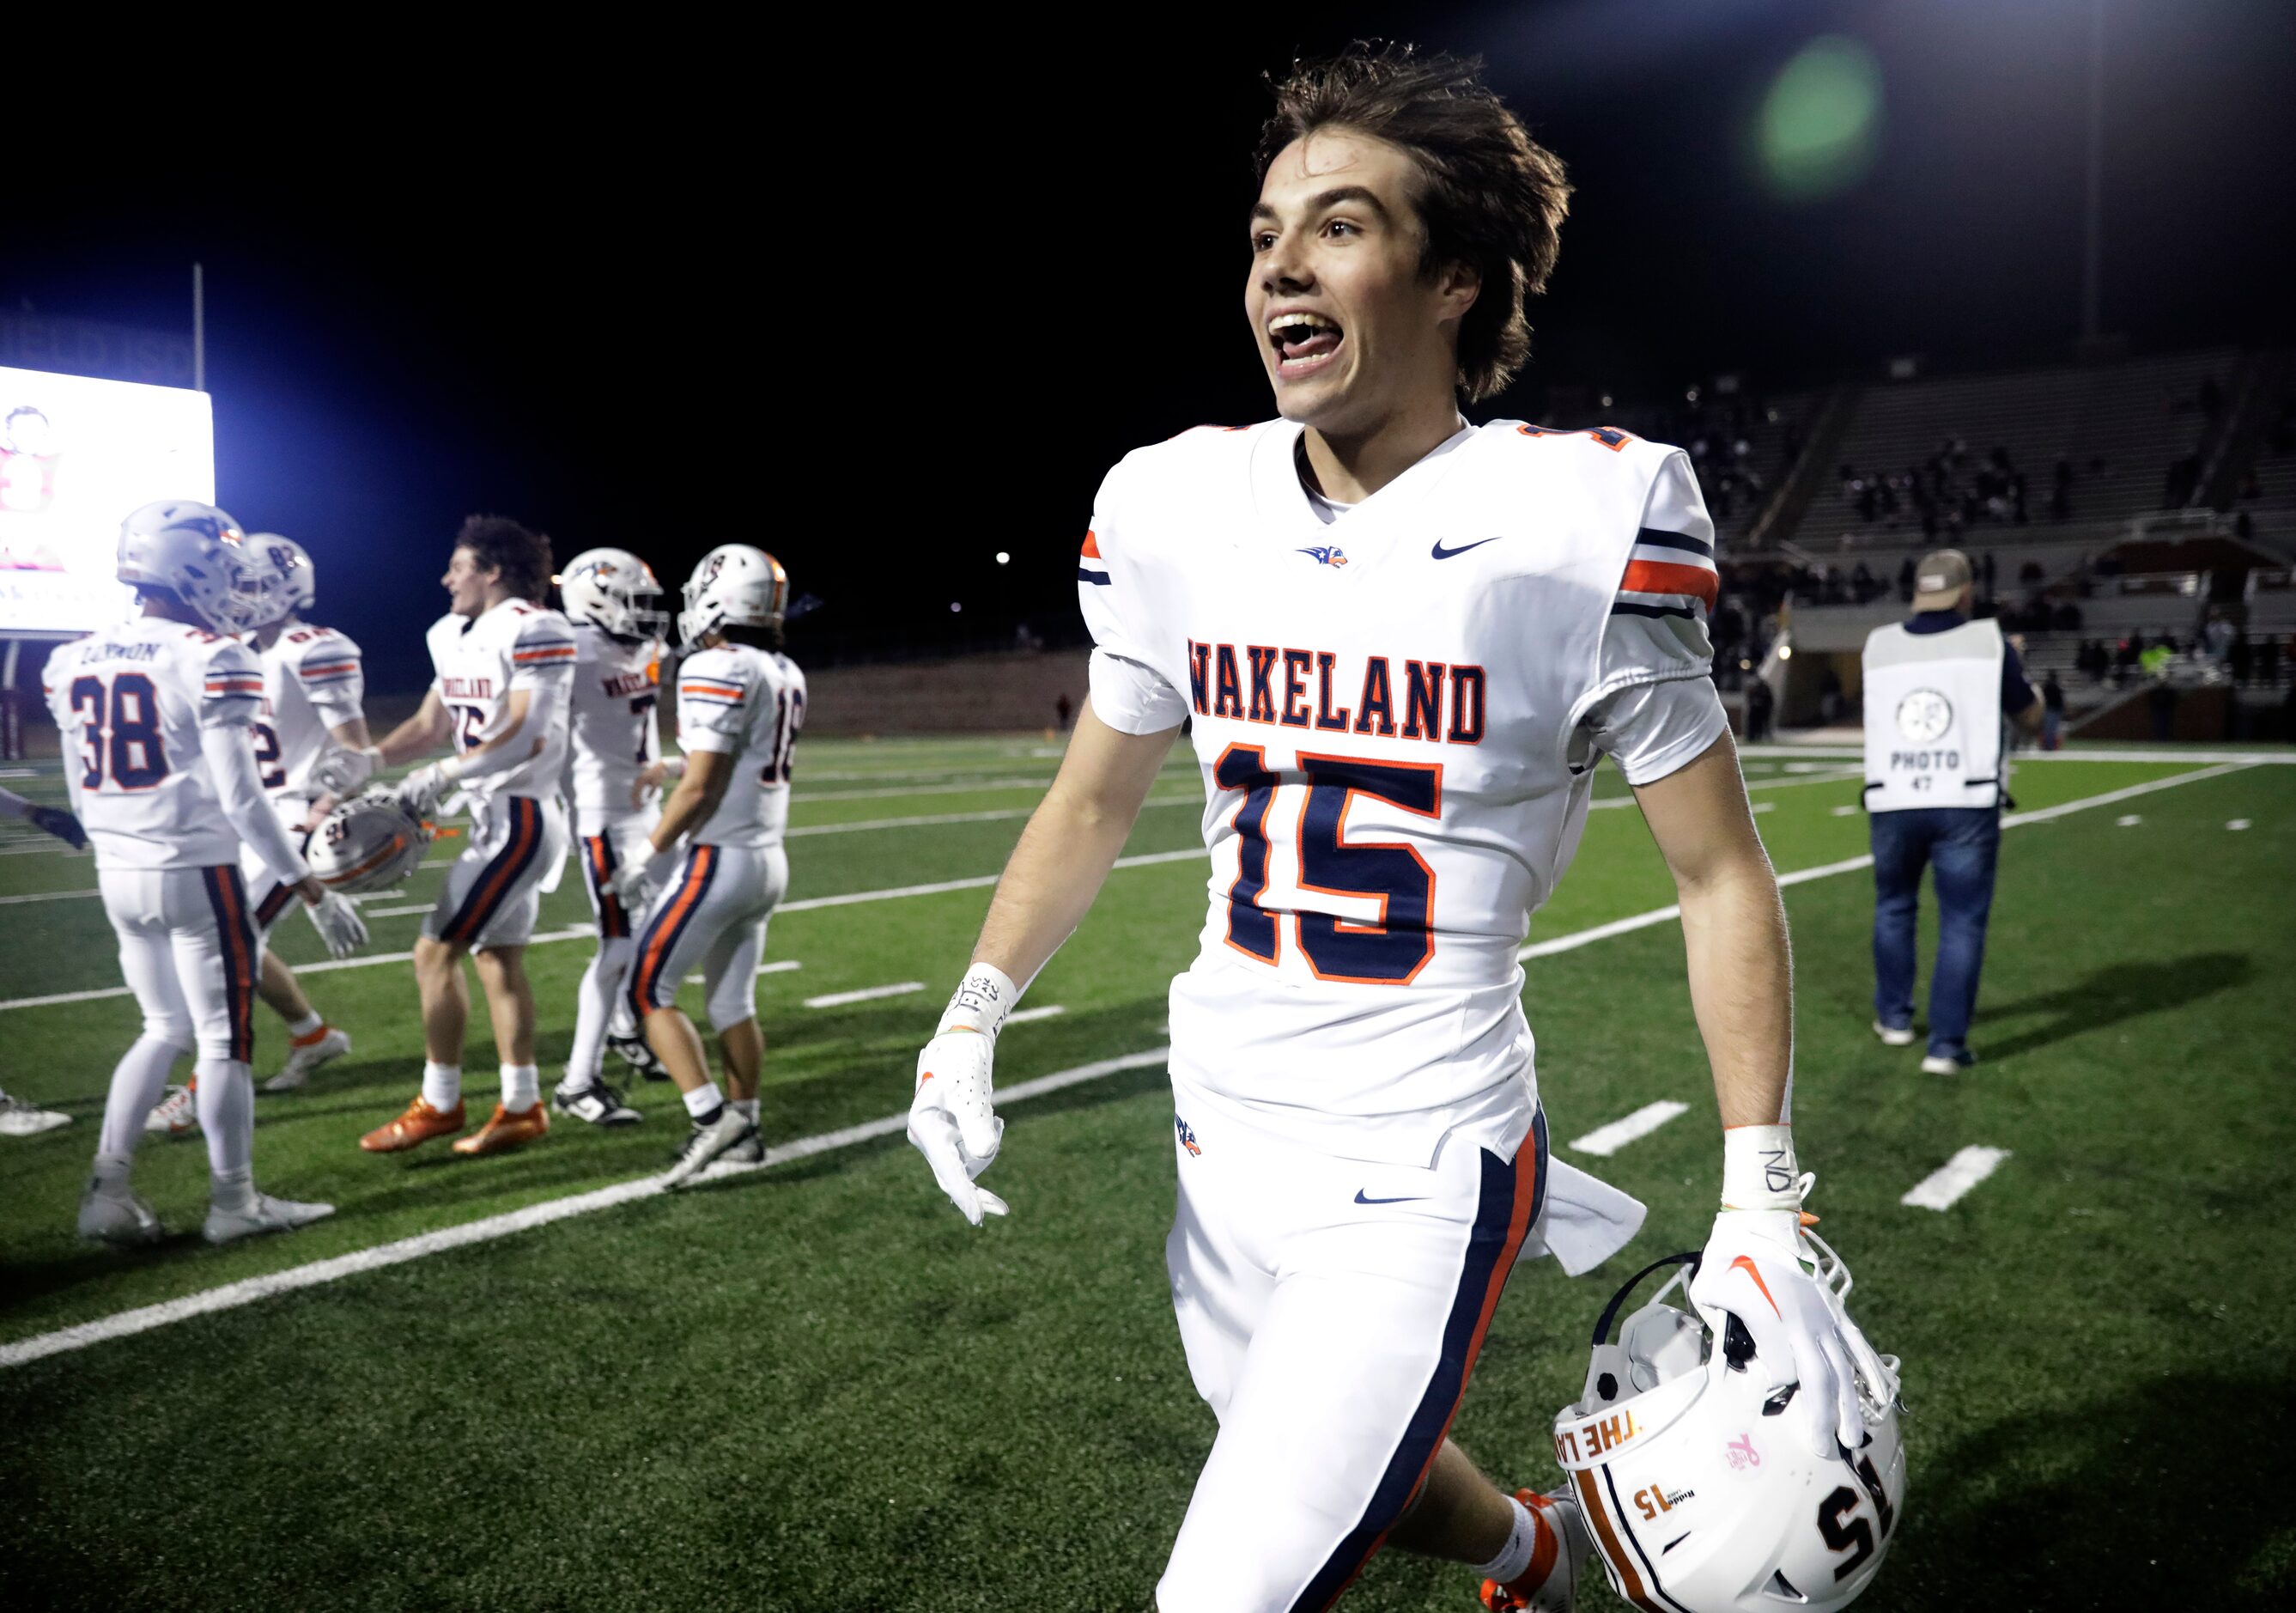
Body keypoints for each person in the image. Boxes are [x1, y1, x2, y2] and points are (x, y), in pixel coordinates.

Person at [903, 46, 1891, 1613]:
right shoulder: (1172, 502)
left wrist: (1758, 1180)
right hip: (1215, 1121)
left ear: (1453, 283)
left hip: (1419, 1147)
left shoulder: (1585, 521)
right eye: (1260, 233)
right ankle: (1532, 1550)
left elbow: (1713, 869)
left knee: (1218, 1588)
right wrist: (969, 1018)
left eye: (1340, 226)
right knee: (1316, 1449)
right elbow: (1091, 793)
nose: (1279, 264)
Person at [46, 502, 365, 1245]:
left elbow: (76, 789)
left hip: (119, 872)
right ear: (189, 571)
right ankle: (234, 1203)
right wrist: (313, 889)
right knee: (224, 1042)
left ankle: (108, 1193)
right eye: (223, 570)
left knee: (160, 1029)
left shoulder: (73, 658)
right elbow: (243, 801)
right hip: (197, 870)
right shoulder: (210, 654)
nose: (233, 586)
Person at [315, 516, 577, 1157]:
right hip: (494, 815)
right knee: (497, 959)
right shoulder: (452, 633)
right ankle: (522, 1106)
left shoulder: (535, 626)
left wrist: (444, 773)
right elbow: (431, 723)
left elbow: (526, 733)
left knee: (434, 954)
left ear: (492, 571)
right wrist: (371, 761)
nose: (446, 579)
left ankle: (440, 1100)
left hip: (521, 813)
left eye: (458, 567)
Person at [616, 545, 805, 1187]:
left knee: (645, 990)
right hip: (767, 861)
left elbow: (702, 789)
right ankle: (747, 1126)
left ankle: (708, 1117)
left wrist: (646, 854)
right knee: (732, 1000)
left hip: (719, 861)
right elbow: (732, 759)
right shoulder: (783, 669)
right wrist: (670, 766)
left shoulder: (714, 665)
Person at [1861, 548, 2041, 1074]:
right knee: (1961, 921)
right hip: (1964, 796)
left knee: (1894, 907)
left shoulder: (1879, 644)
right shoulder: (1989, 641)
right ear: (1966, 592)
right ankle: (1945, 1046)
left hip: (1894, 794)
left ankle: (1893, 1018)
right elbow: (2028, 716)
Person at [232, 535, 366, 1093]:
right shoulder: (234, 647)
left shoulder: (316, 647)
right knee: (232, 940)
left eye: (252, 584)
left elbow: (355, 750)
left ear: (286, 589)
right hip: (246, 814)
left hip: (293, 813)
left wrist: (324, 809)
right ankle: (312, 1037)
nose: (240, 595)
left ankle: (207, 1083)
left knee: (227, 942)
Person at [550, 547, 674, 1127]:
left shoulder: (649, 647)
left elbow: (644, 724)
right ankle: (577, 1082)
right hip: (600, 816)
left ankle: (626, 1026)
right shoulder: (570, 651)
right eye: (633, 602)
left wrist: (665, 767)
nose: (645, 615)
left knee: (660, 932)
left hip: (650, 811)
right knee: (617, 946)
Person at [2040, 668, 2065, 751]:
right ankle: (2048, 745)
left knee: (2050, 729)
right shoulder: (2053, 687)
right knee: (2051, 729)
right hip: (2052, 710)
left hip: (2051, 710)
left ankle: (2048, 745)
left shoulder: (2047, 686)